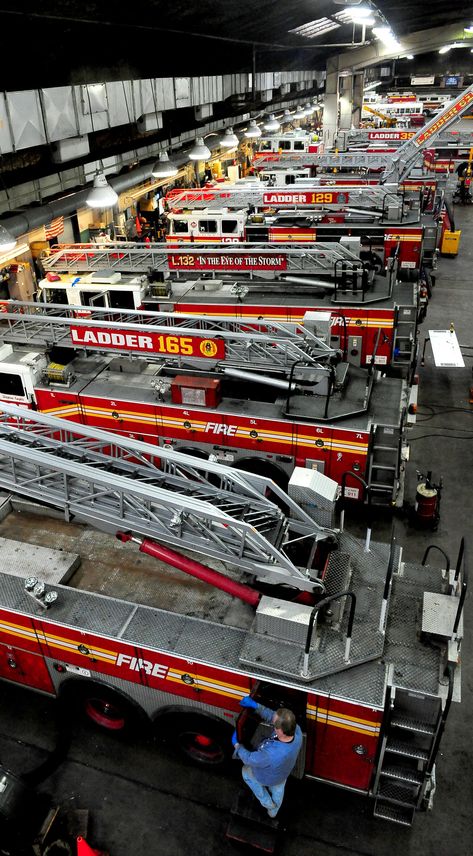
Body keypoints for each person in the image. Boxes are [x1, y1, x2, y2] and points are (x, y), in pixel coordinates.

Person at [232, 696, 302, 818]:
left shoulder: (270, 754)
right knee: (278, 791)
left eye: (274, 725)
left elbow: (248, 758)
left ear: (279, 731)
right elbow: (273, 716)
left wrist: (237, 746)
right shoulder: (296, 730)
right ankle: (273, 813)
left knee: (246, 772)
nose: (272, 722)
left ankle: (268, 804)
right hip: (282, 773)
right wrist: (256, 706)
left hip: (266, 776)